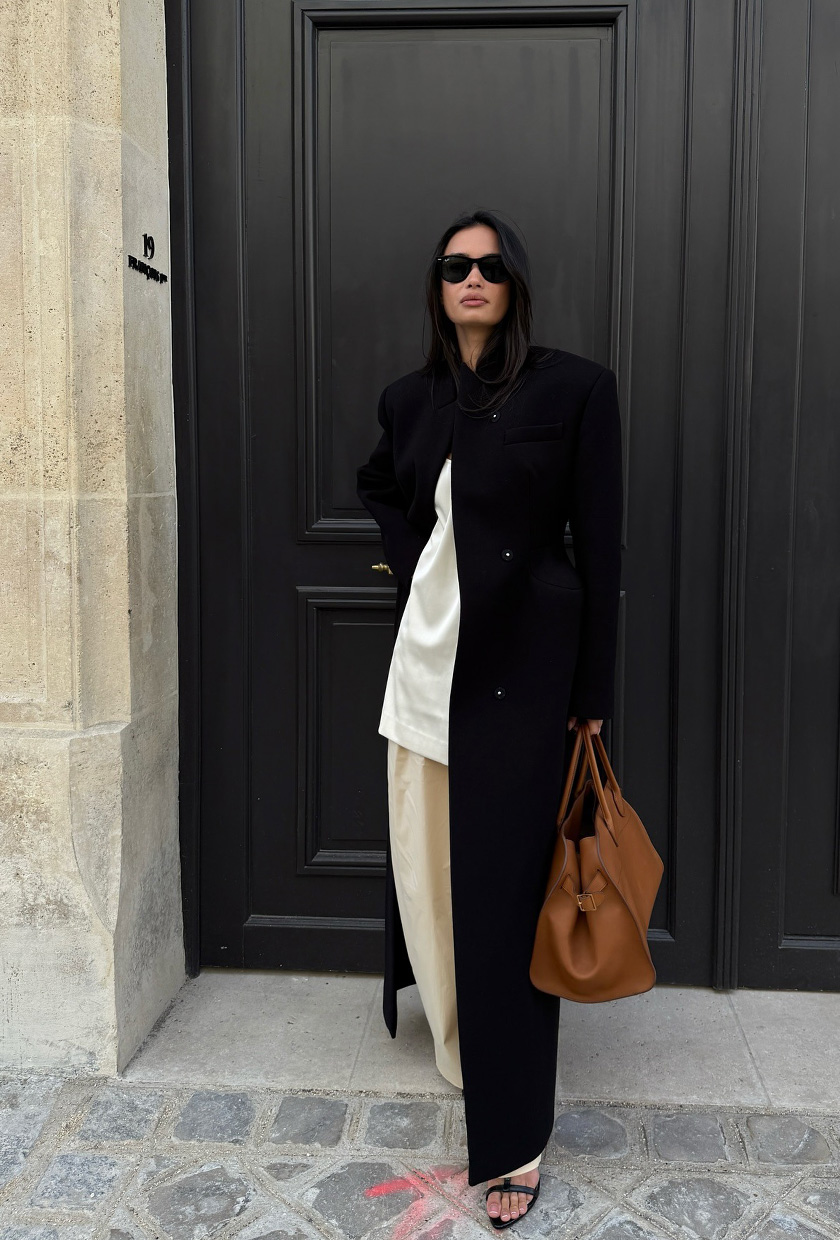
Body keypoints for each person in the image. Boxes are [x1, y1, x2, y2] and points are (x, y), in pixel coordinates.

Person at [356, 209, 623, 1229]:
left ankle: (513, 1138)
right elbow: (379, 483)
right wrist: (416, 554)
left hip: (522, 678)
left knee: (508, 897)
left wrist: (591, 697)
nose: (473, 278)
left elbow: (603, 548)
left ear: (515, 285)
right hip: (424, 674)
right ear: (437, 284)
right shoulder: (410, 399)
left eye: (492, 266)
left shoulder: (573, 389)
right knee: (430, 877)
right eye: (455, 265)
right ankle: (461, 1043)